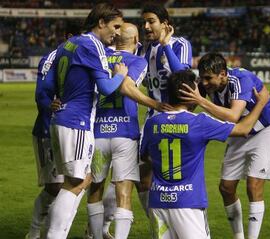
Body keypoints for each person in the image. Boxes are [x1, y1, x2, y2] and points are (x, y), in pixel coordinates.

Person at [46, 3, 169, 238]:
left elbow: (51, 84)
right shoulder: (106, 51)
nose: (115, 32)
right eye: (113, 26)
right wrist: (127, 81)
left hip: (89, 128)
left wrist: (55, 101)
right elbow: (115, 87)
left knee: (90, 186)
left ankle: (91, 234)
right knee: (90, 186)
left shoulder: (70, 45)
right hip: (104, 129)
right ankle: (55, 234)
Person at [140, 69, 270, 239]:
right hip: (189, 203)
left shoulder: (152, 123)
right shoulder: (199, 122)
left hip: (158, 202)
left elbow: (144, 157)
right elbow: (243, 129)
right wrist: (261, 104)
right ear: (190, 96)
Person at [180, 53, 270, 239]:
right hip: (240, 131)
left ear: (223, 74)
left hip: (264, 128)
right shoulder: (207, 84)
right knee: (226, 187)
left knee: (254, 184)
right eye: (202, 78)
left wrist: (201, 101)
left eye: (208, 78)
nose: (204, 83)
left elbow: (233, 115)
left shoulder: (240, 79)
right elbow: (187, 106)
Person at [86, 22, 161, 239]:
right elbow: (127, 86)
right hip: (125, 135)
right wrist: (153, 104)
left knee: (96, 189)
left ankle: (96, 236)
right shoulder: (138, 61)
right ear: (136, 40)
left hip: (98, 133)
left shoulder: (99, 57)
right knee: (124, 192)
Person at [26, 22, 81, 239]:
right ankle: (33, 231)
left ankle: (58, 231)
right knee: (55, 187)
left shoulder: (83, 58)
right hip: (48, 131)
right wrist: (51, 104)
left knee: (74, 183)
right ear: (68, 37)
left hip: (75, 130)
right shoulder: (51, 58)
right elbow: (40, 95)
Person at [137, 2, 193, 216]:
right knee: (142, 178)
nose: (146, 26)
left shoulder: (181, 44)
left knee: (176, 178)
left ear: (165, 24)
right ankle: (157, 226)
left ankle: (186, 221)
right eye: (144, 22)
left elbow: (184, 79)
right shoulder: (145, 49)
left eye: (151, 21)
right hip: (152, 118)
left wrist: (165, 45)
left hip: (178, 119)